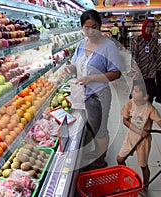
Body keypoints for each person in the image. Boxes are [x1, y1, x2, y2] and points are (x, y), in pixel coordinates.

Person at [64, 9, 122, 169]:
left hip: (99, 95)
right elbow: (76, 65)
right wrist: (70, 69)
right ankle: (95, 152)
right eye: (86, 27)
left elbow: (116, 73)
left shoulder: (108, 46)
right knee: (89, 126)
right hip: (82, 94)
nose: (90, 31)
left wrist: (92, 78)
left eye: (94, 26)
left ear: (100, 25)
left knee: (100, 129)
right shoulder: (82, 44)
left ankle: (100, 161)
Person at [116, 81, 161, 193]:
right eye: (133, 90)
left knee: (143, 165)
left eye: (136, 91)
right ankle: (126, 177)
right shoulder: (130, 103)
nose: (133, 93)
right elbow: (125, 120)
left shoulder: (150, 109)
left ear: (146, 96)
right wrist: (138, 131)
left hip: (143, 141)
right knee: (120, 159)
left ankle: (145, 185)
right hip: (131, 137)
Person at [128, 19, 157, 103]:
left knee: (150, 92)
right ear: (144, 27)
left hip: (150, 70)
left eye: (152, 27)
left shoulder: (154, 40)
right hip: (139, 70)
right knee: (137, 92)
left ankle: (148, 110)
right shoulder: (137, 40)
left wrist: (158, 68)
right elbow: (134, 56)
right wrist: (135, 71)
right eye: (148, 26)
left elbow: (156, 54)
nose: (150, 29)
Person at [153, 22, 161, 105]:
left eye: (158, 26)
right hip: (150, 63)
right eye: (155, 26)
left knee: (160, 82)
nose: (157, 28)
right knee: (149, 82)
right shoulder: (148, 38)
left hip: (160, 63)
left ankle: (159, 97)